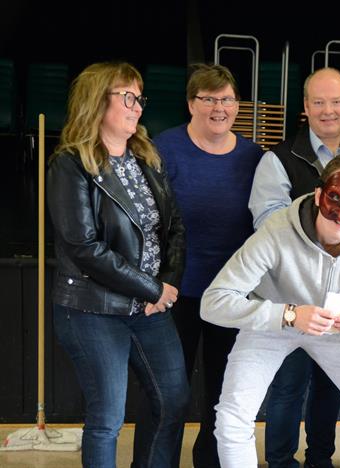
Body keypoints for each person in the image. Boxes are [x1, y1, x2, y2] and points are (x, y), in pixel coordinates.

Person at [200, 153, 340, 467]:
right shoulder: (276, 231)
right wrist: (289, 314)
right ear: (320, 194)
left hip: (335, 328)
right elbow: (213, 302)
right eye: (335, 199)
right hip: (272, 323)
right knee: (231, 419)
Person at [46, 61, 188, 467]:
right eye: (127, 96)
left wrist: (165, 288)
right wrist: (152, 289)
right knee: (108, 418)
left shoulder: (147, 158)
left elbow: (175, 227)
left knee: (173, 400)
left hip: (151, 307)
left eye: (139, 97)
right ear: (97, 100)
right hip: (93, 309)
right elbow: (83, 247)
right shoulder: (71, 164)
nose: (137, 106)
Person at [247, 67, 340, 468]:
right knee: (289, 385)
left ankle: (320, 460)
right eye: (319, 102)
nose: (329, 110)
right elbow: (269, 225)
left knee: (330, 383)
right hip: (291, 293)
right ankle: (280, 461)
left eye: (337, 101)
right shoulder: (279, 158)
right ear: (305, 107)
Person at [153, 63, 264, 467]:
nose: (219, 107)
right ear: (191, 103)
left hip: (232, 294)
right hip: (175, 291)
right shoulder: (165, 148)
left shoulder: (254, 156)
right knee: (170, 391)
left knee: (222, 392)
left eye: (227, 99)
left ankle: (210, 462)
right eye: (209, 99)